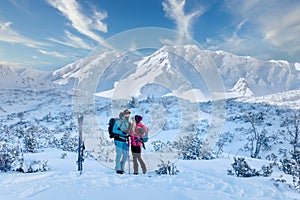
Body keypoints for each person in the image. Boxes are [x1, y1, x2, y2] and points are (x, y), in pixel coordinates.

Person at [113, 109, 131, 174]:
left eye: (129, 113)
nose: (128, 115)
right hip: (118, 140)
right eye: (127, 113)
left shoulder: (128, 122)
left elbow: (128, 131)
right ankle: (118, 169)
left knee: (125, 155)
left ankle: (122, 168)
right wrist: (122, 132)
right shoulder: (118, 121)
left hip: (125, 140)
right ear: (124, 114)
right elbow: (114, 130)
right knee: (119, 154)